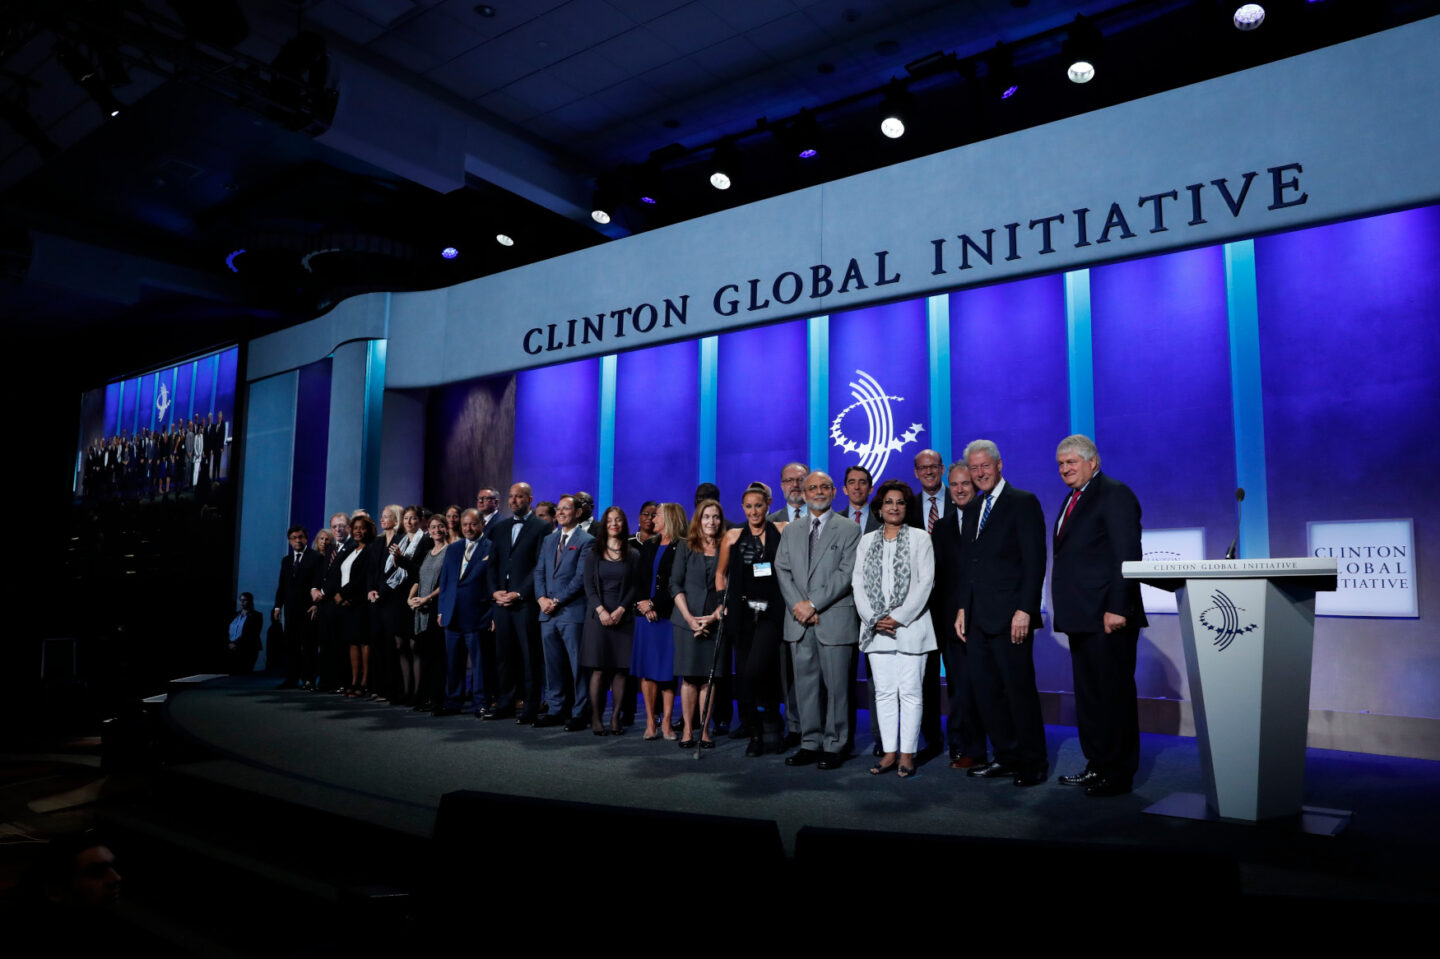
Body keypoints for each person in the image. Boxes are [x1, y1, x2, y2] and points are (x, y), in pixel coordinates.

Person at [1050, 434, 1147, 797]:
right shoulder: (1074, 497)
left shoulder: (1114, 493)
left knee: (1113, 696)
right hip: (1081, 617)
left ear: (1094, 461)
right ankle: (1097, 764)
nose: (1064, 469)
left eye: (1071, 462)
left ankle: (1118, 773)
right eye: (1060, 464)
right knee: (1090, 698)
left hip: (1108, 616)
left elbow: (1127, 554)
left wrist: (1118, 607)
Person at [956, 439, 1048, 787]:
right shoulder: (973, 509)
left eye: (985, 466)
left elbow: (1034, 561)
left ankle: (1032, 763)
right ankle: (1006, 757)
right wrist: (963, 608)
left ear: (999, 465)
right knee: (987, 693)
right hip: (977, 619)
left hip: (1012, 618)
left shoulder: (1022, 502)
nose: (979, 473)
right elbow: (970, 566)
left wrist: (1025, 608)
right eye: (974, 468)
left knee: (1018, 692)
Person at [774, 471, 861, 770]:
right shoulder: (791, 530)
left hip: (832, 619)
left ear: (835, 491)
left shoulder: (850, 529)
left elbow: (846, 575)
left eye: (825, 486)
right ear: (805, 492)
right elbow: (781, 569)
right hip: (799, 621)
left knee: (837, 688)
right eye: (813, 488)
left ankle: (836, 744)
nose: (818, 492)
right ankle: (810, 743)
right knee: (805, 687)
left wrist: (812, 604)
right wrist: (799, 606)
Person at [853, 480, 936, 778]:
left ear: (906, 507)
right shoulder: (866, 542)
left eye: (900, 502)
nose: (894, 507)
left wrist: (899, 617)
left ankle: (906, 754)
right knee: (885, 694)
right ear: (879, 507)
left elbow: (925, 583)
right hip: (876, 629)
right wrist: (874, 618)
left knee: (911, 693)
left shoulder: (920, 538)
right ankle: (889, 752)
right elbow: (858, 583)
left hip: (911, 628)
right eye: (888, 502)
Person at [716, 482, 786, 756]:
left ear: (768, 505)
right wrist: (723, 602)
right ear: (742, 508)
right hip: (742, 615)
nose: (754, 511)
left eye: (759, 505)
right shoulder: (732, 536)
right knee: (744, 676)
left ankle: (773, 723)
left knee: (759, 670)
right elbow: (721, 574)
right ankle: (756, 734)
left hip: (771, 613)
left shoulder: (782, 530)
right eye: (749, 506)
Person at [934, 460, 989, 769]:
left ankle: (988, 746)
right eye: (954, 485)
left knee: (983, 686)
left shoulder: (987, 519)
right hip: (951, 622)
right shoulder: (942, 527)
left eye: (965, 483)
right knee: (959, 687)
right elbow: (940, 577)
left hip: (984, 617)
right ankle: (963, 744)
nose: (959, 489)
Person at [485, 482, 549, 722]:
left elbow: (539, 566)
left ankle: (531, 708)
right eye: (511, 497)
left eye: (519, 497)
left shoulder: (542, 527)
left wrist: (519, 593)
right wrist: (495, 593)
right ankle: (505, 704)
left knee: (530, 657)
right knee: (503, 657)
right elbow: (491, 565)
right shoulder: (500, 528)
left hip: (525, 603)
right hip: (501, 603)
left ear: (530, 500)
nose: (513, 501)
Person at [533, 495, 594, 729]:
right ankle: (556, 709)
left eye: (566, 509)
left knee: (577, 667)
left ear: (578, 512)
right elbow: (539, 571)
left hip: (571, 613)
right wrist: (540, 599)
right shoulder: (549, 539)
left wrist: (556, 600)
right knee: (553, 665)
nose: (560, 513)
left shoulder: (586, 540)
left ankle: (580, 712)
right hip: (546, 613)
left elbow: (580, 578)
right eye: (558, 509)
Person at [669, 499, 727, 748]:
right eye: (706, 517)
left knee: (709, 679)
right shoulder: (684, 546)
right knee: (690, 678)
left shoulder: (728, 546)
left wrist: (716, 615)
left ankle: (704, 730)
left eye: (715, 517)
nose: (711, 522)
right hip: (686, 622)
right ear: (698, 520)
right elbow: (675, 584)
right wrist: (690, 619)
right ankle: (687, 731)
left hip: (716, 622)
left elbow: (733, 586)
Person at [582, 506, 641, 735]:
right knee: (598, 670)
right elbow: (588, 585)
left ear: (623, 524)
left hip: (623, 617)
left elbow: (635, 585)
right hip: (597, 617)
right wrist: (602, 611)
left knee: (620, 670)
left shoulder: (633, 553)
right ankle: (597, 718)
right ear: (604, 524)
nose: (614, 524)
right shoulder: (593, 552)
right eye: (609, 520)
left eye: (618, 520)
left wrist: (620, 610)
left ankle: (616, 717)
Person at [435, 508, 495, 716]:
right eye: (465, 525)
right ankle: (452, 702)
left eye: (473, 524)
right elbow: (445, 582)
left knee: (479, 664)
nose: (468, 528)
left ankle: (481, 703)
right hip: (451, 614)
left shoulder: (491, 548)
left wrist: (492, 614)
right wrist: (442, 609)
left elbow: (493, 584)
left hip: (478, 614)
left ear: (482, 525)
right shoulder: (453, 548)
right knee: (453, 662)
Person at [632, 503, 684, 740]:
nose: (653, 518)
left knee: (666, 673)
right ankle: (651, 722)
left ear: (670, 518)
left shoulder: (682, 547)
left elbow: (678, 582)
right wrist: (644, 605)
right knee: (647, 672)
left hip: (668, 617)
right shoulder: (650, 545)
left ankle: (667, 723)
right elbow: (639, 579)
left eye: (658, 515)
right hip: (646, 617)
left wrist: (655, 604)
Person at [407, 514, 451, 712]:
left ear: (446, 528)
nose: (436, 530)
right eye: (433, 527)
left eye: (440, 526)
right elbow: (418, 578)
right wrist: (411, 597)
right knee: (424, 655)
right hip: (420, 610)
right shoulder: (427, 552)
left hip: (436, 608)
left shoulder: (450, 551)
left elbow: (446, 583)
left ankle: (436, 699)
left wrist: (427, 599)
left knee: (437, 657)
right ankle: (423, 697)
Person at [273, 525, 321, 689]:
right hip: (291, 610)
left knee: (309, 646)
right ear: (289, 541)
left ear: (306, 539)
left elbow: (318, 582)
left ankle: (309, 679)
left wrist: (316, 604)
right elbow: (282, 585)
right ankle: (291, 678)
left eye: (300, 537)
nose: (298, 540)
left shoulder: (315, 558)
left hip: (308, 609)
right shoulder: (286, 560)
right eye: (294, 538)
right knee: (290, 645)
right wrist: (278, 606)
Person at [339, 513, 378, 696]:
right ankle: (353, 680)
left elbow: (363, 578)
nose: (358, 531)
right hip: (348, 605)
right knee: (352, 642)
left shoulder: (370, 550)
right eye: (355, 528)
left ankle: (365, 682)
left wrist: (344, 594)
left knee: (364, 642)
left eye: (362, 528)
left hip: (361, 603)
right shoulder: (350, 550)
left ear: (368, 530)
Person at [228, 592, 262, 674]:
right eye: (241, 600)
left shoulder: (256, 616)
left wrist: (237, 643)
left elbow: (253, 633)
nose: (242, 602)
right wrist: (229, 643)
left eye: (245, 600)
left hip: (247, 649)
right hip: (232, 649)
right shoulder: (235, 615)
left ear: (250, 601)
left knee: (244, 674)